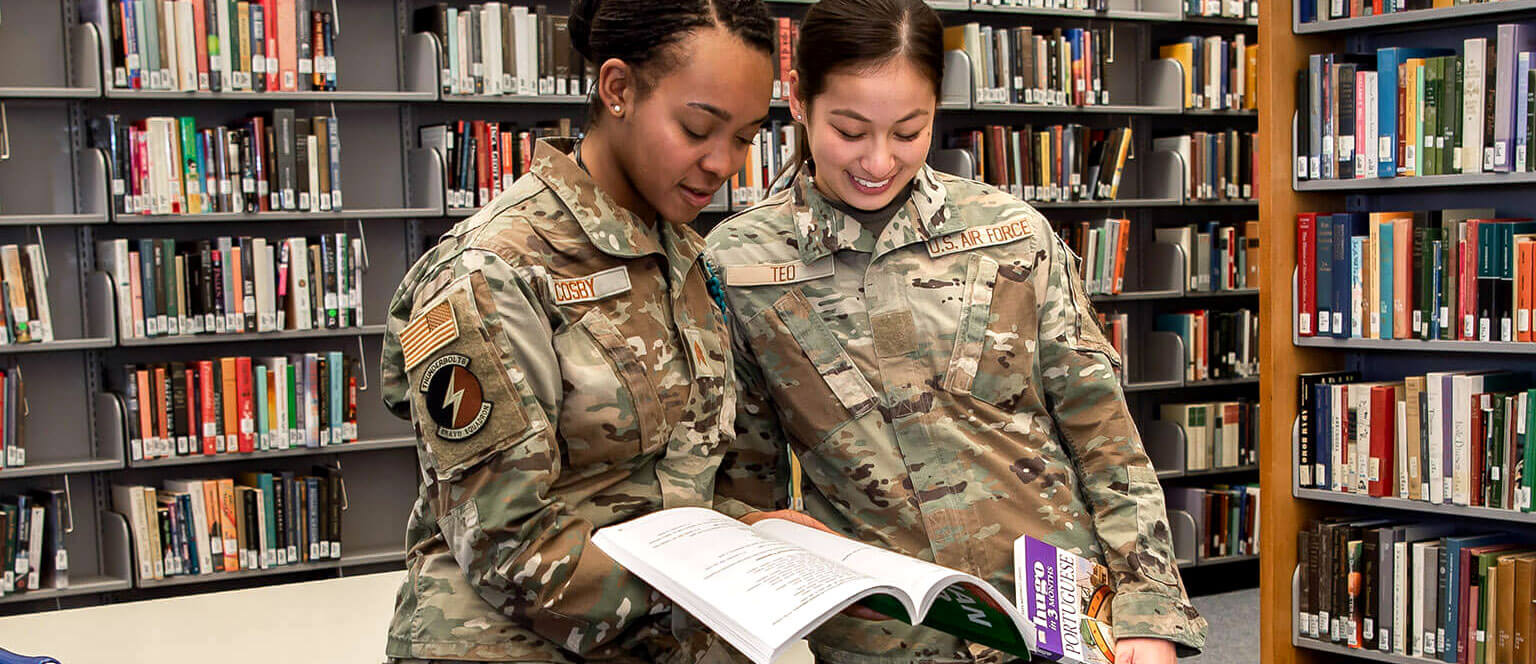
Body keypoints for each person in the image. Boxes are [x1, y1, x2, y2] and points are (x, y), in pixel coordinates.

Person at [705, 1, 1209, 662]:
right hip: (886, 639)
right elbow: (745, 486)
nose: (879, 160)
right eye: (850, 130)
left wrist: (1148, 610)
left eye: (908, 130)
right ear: (798, 100)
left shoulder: (1012, 234)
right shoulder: (738, 267)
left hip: (1061, 624)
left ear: (937, 109)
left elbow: (1102, 433)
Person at [378, 0, 776, 661]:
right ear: (617, 89)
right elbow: (507, 545)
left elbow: (666, 483)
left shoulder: (685, 258)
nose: (722, 162)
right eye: (698, 127)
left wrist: (752, 531)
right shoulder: (490, 268)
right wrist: (718, 572)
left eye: (745, 136)